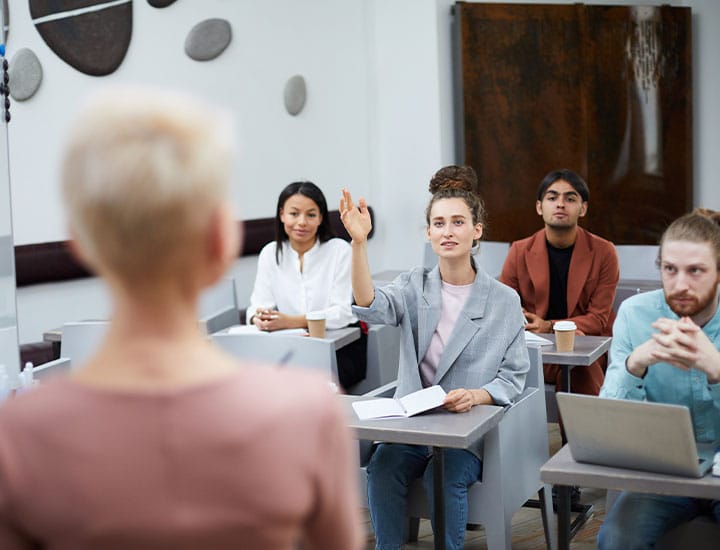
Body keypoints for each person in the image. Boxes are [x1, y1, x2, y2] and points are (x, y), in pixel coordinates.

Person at [0, 89, 362, 550]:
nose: (301, 222)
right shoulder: (308, 414)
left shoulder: (20, 436)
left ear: (81, 243)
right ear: (221, 242)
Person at [339, 165, 529, 550]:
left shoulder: (504, 300)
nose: (448, 231)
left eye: (458, 222)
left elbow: (512, 377)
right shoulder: (413, 284)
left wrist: (476, 395)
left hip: (469, 434)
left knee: (444, 477)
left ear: (477, 231)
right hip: (413, 425)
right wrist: (359, 243)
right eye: (439, 223)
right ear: (428, 233)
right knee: (382, 466)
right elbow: (369, 304)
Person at [597, 209, 720, 549]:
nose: (680, 284)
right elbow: (609, 423)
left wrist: (717, 369)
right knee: (616, 538)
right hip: (662, 474)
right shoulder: (635, 314)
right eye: (670, 269)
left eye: (696, 271)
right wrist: (635, 363)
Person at [499, 168, 619, 395]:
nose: (560, 204)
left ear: (583, 208)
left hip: (586, 350)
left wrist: (550, 326)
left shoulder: (604, 252)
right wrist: (529, 323)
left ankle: (583, 432)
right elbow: (505, 306)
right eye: (552, 197)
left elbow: (597, 319)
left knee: (579, 366)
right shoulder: (519, 250)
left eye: (570, 198)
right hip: (536, 349)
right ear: (539, 207)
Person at [247, 181, 366, 390]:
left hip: (340, 347)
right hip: (289, 348)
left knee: (309, 387)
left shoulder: (339, 250)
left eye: (311, 215)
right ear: (282, 215)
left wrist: (290, 322)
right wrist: (259, 318)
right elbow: (257, 305)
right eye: (294, 214)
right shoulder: (270, 253)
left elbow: (343, 314)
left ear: (321, 218)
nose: (301, 222)